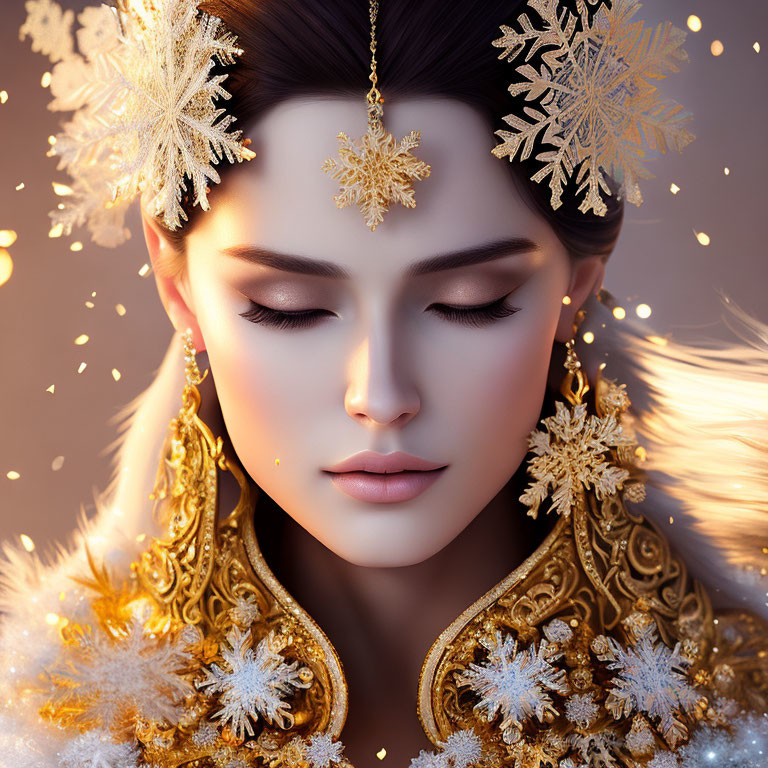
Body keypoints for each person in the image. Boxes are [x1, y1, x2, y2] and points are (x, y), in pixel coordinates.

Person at [3, 0, 768, 766]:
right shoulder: (55, 733)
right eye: (288, 310)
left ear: (575, 290)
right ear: (180, 293)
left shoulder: (729, 711)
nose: (381, 394)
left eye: (469, 304)